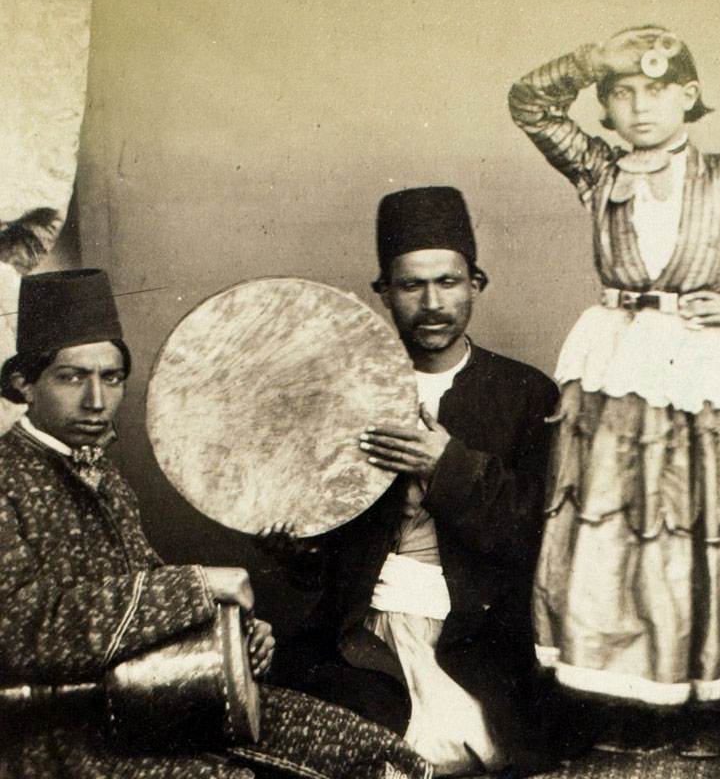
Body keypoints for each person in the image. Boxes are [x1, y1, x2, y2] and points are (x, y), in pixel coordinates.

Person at [508, 25, 720, 754]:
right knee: (624, 529)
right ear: (604, 105)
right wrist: (589, 60)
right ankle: (636, 707)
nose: (639, 108)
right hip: (620, 366)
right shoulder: (597, 168)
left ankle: (710, 705)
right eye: (621, 93)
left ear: (689, 97)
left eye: (657, 91)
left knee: (705, 523)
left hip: (708, 369)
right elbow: (529, 103)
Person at [0, 268, 428, 779]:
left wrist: (232, 637)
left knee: (378, 754)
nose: (96, 401)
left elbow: (144, 589)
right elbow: (19, 630)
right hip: (62, 733)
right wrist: (199, 587)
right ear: (24, 383)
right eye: (72, 377)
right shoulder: (6, 476)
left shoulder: (103, 475)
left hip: (154, 705)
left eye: (111, 378)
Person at [262, 187, 560, 777]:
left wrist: (446, 465)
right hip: (362, 633)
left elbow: (539, 539)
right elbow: (324, 557)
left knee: (483, 741)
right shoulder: (343, 392)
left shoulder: (526, 393)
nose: (432, 303)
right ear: (383, 292)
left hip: (477, 638)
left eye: (448, 282)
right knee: (320, 733)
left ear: (476, 284)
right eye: (410, 286)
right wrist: (295, 547)